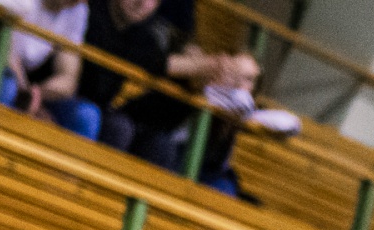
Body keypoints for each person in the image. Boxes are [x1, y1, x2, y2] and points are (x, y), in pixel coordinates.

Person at [78, 0, 258, 185]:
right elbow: (153, 63)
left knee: (223, 185)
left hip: (113, 116)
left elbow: (215, 165)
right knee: (113, 125)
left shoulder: (144, 35)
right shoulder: (91, 11)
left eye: (248, 79)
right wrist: (200, 69)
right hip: (84, 105)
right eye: (234, 75)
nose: (142, 3)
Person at [0, 0, 100, 140]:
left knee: (87, 115)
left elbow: (69, 78)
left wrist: (37, 95)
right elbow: (3, 52)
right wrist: (29, 98)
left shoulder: (77, 9)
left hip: (23, 86)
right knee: (7, 86)